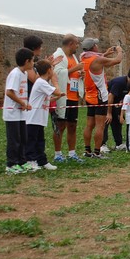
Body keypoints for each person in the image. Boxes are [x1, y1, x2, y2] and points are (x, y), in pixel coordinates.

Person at [80, 38, 123, 158]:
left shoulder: (83, 58)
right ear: (93, 47)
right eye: (96, 45)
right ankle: (97, 152)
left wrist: (105, 54)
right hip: (100, 96)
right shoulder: (98, 59)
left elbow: (95, 60)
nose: (97, 46)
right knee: (100, 126)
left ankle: (87, 151)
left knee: (89, 125)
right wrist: (119, 51)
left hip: (89, 95)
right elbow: (117, 61)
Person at [25, 60, 65, 171]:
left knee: (40, 141)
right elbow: (56, 91)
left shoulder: (42, 83)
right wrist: (55, 81)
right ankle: (30, 161)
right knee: (32, 141)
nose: (53, 71)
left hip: (39, 118)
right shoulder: (41, 82)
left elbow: (48, 98)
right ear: (49, 71)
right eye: (52, 69)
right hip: (33, 118)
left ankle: (42, 161)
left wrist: (56, 98)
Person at [52, 34, 84, 163]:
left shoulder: (74, 58)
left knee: (72, 125)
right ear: (70, 43)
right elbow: (56, 73)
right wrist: (75, 69)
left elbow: (72, 73)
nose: (78, 46)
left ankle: (72, 153)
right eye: (76, 43)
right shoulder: (58, 56)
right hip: (62, 96)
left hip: (73, 96)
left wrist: (80, 73)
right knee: (60, 125)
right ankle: (58, 153)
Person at [3, 48, 34, 174]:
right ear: (27, 61)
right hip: (12, 113)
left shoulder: (24, 74)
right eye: (32, 61)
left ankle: (22, 161)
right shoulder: (15, 73)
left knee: (23, 139)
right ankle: (11, 164)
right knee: (14, 140)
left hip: (21, 113)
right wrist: (22, 103)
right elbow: (9, 92)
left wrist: (25, 103)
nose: (33, 63)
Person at [103, 67, 130, 151]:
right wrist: (109, 113)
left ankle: (119, 143)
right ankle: (102, 144)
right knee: (106, 121)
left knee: (117, 122)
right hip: (106, 102)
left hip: (117, 104)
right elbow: (110, 96)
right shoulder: (119, 83)